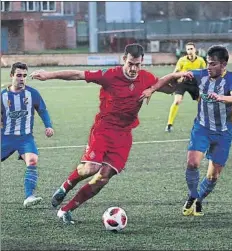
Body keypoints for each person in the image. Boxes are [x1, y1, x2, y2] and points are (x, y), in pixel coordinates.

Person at [30, 43, 192, 224]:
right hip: (103, 129)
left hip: (124, 135)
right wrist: (48, 75)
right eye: (130, 63)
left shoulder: (146, 78)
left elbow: (168, 89)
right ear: (124, 60)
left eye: (137, 65)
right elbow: (77, 74)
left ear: (142, 63)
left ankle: (66, 210)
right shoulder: (110, 75)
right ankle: (66, 186)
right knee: (90, 169)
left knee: (104, 176)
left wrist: (181, 81)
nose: (133, 68)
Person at [146, 45, 232, 216]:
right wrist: (152, 89)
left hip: (224, 133)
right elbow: (173, 76)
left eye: (213, 64)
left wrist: (221, 97)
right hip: (202, 128)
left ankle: (199, 200)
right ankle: (192, 195)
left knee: (213, 177)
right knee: (192, 163)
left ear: (223, 64)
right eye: (207, 63)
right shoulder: (201, 74)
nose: (208, 67)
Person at [1, 62, 54, 207]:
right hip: (5, 137)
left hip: (25, 138)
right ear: (11, 76)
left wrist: (48, 126)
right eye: (18, 75)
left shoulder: (33, 94)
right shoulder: (3, 95)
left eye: (24, 76)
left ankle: (29, 196)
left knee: (32, 161)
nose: (22, 79)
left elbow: (42, 110)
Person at [165, 42, 206, 132]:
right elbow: (175, 72)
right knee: (177, 101)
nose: (190, 51)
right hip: (182, 83)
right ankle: (169, 124)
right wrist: (172, 84)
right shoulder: (182, 60)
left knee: (203, 103)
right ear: (186, 51)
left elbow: (205, 73)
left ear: (195, 50)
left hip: (194, 84)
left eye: (191, 49)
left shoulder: (201, 61)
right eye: (188, 49)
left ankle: (207, 123)